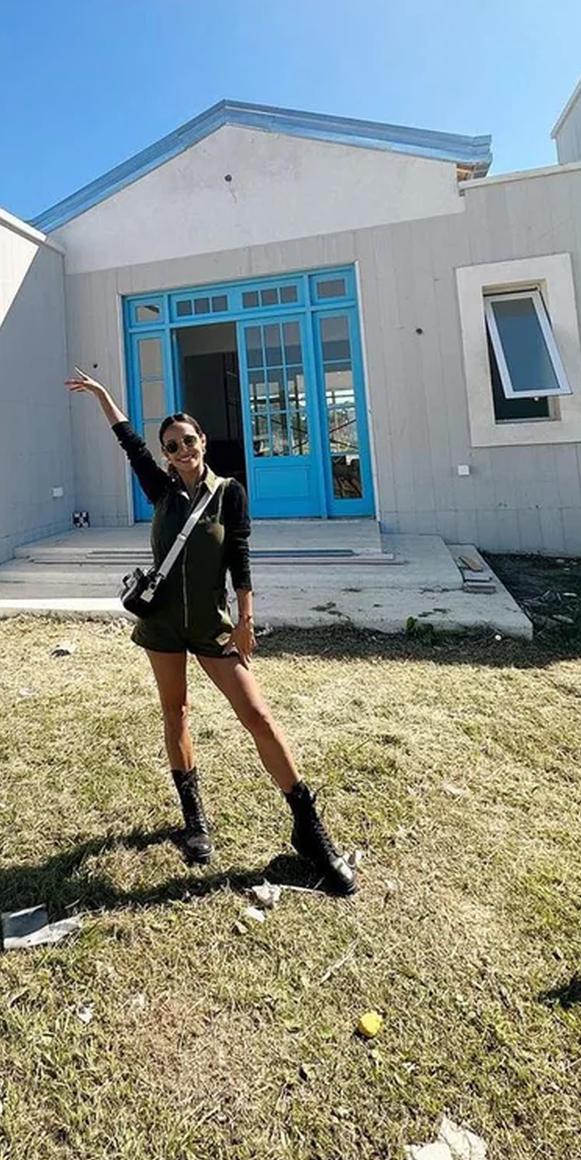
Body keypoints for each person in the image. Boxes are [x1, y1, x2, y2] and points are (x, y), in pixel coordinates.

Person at [65, 367, 356, 896]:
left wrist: (245, 620)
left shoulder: (229, 493)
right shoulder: (159, 489)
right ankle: (194, 818)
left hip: (212, 625)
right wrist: (104, 398)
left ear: (203, 442)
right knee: (175, 711)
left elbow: (239, 558)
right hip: (161, 626)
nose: (180, 450)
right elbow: (129, 442)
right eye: (171, 445)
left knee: (258, 715)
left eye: (188, 441)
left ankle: (309, 828)